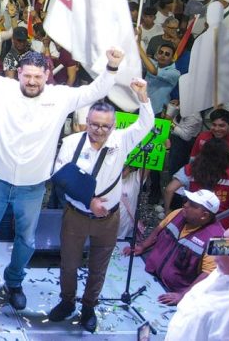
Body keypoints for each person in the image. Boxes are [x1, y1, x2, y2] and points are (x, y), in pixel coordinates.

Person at [0, 41, 126, 311]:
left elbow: (96, 90)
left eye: (38, 76)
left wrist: (112, 67)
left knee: (26, 239)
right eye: (27, 75)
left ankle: (14, 282)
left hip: (32, 186)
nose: (32, 81)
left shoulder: (60, 97)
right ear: (18, 73)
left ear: (47, 75)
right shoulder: (1, 88)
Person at [47, 81, 155, 333]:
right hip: (76, 214)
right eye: (94, 124)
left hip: (108, 218)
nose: (99, 130)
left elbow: (146, 124)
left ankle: (89, 306)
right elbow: (60, 176)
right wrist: (90, 201)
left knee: (98, 266)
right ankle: (67, 301)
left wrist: (143, 97)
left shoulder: (121, 140)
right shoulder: (72, 142)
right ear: (87, 122)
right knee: (69, 263)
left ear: (114, 125)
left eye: (105, 126)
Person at [125, 189, 224, 304]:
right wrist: (142, 246)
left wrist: (184, 296)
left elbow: (210, 275)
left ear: (204, 215)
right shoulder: (178, 213)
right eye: (187, 200)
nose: (185, 205)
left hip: (173, 291)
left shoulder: (220, 239)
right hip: (151, 273)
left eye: (192, 204)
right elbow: (159, 229)